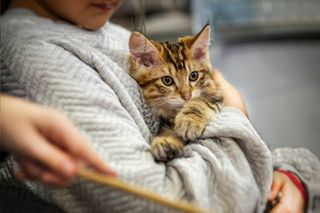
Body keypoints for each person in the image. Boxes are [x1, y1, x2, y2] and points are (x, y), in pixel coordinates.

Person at [0, 0, 319, 212]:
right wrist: (234, 112)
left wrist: (291, 176)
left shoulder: (102, 29)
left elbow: (248, 160)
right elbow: (165, 202)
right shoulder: (37, 55)